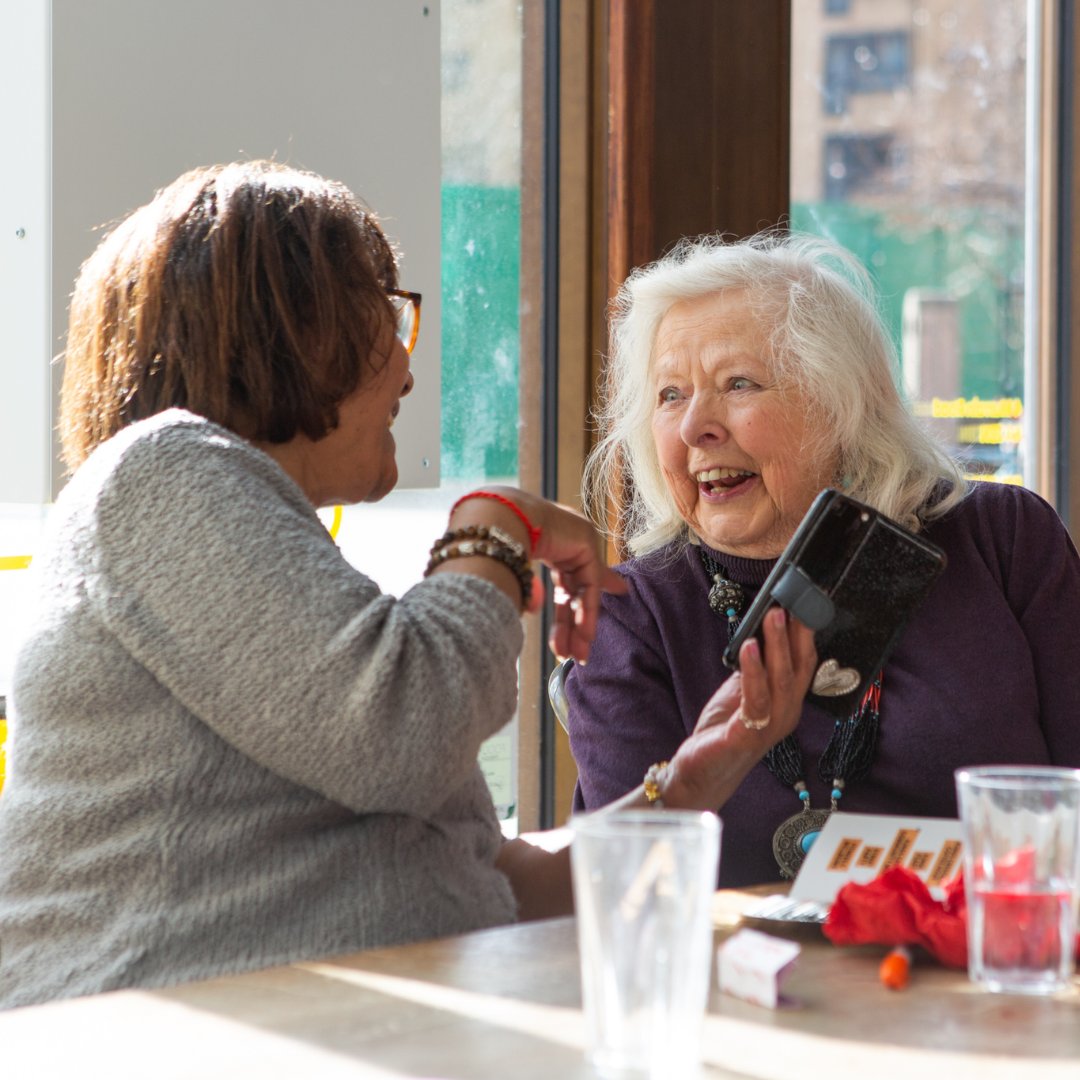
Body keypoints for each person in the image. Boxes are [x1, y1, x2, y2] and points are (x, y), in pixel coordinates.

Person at [0, 163, 817, 1010]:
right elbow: (407, 731)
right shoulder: (165, 473)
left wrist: (692, 777)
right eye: (384, 316)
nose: (406, 368)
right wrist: (494, 526)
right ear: (289, 330)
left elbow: (489, 885)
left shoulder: (269, 567)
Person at [566, 229, 1080, 888]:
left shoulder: (1002, 542)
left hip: (993, 969)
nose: (696, 426)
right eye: (670, 396)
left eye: (739, 382)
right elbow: (628, 889)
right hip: (748, 983)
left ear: (842, 405)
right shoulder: (631, 616)